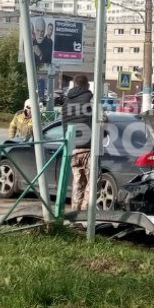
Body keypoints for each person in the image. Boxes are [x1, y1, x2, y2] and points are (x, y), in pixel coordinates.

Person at [62, 76, 94, 211]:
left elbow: (64, 123)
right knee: (92, 182)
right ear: (87, 85)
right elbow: (102, 118)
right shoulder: (90, 99)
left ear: (74, 85)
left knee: (77, 182)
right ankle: (84, 215)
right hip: (88, 148)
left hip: (72, 147)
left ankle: (75, 212)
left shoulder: (65, 102)